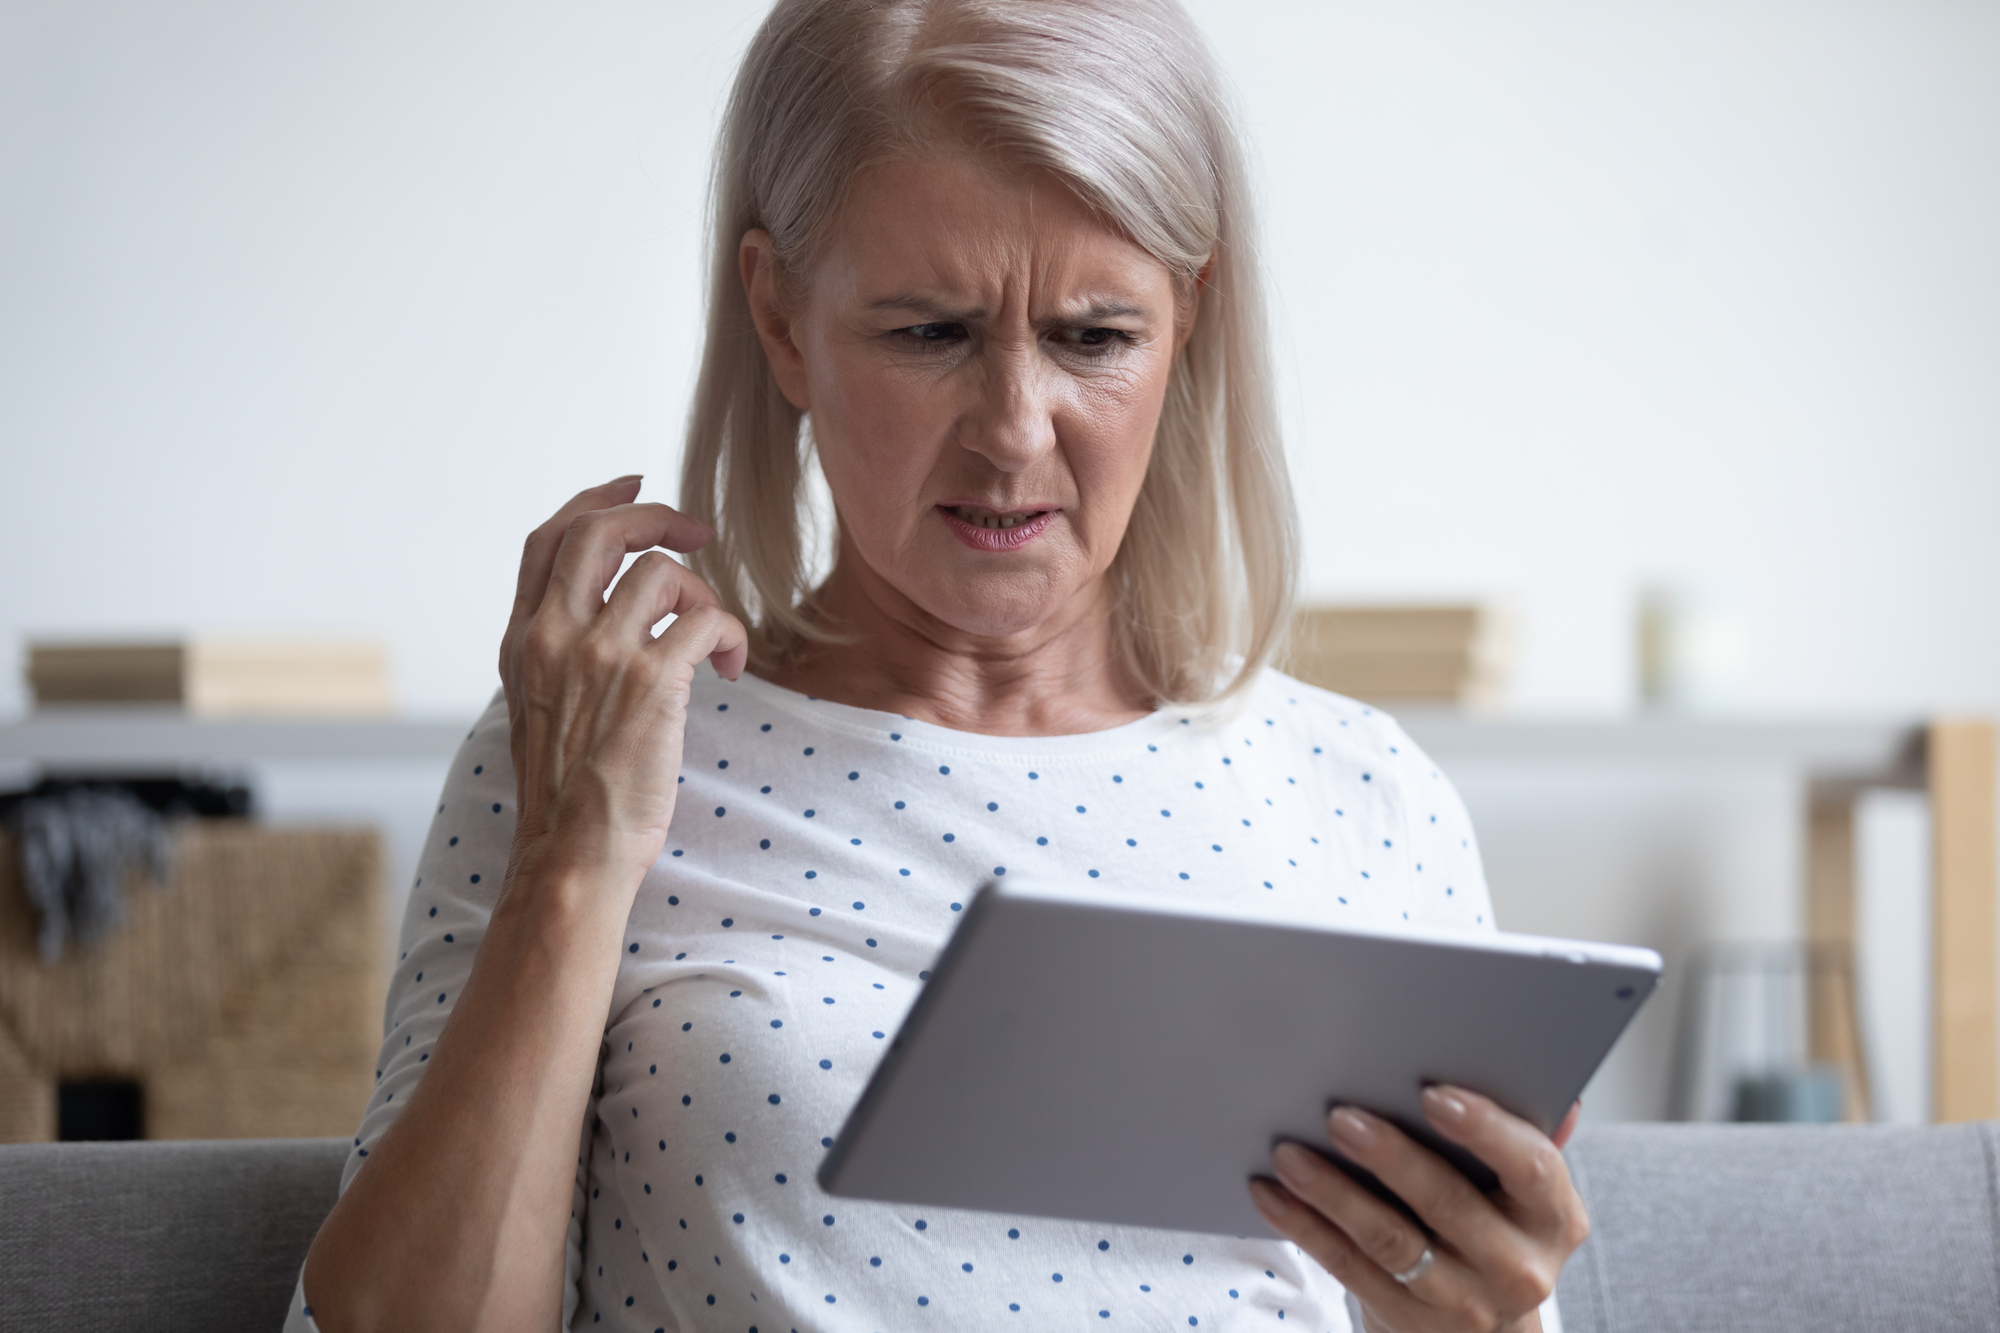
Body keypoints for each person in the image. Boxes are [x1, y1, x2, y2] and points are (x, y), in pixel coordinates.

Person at [293, 1, 1589, 1329]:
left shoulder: (1362, 797)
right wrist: (572, 867)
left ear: (1188, 318)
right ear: (782, 319)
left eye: (1094, 336)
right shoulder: (595, 752)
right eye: (930, 334)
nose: (1017, 434)